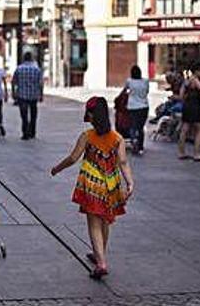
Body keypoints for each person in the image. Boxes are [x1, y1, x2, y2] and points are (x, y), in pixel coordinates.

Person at [50, 97, 134, 280]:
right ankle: (99, 253)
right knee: (104, 221)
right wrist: (130, 182)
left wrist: (57, 169)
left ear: (92, 116)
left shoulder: (87, 136)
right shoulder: (117, 138)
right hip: (111, 185)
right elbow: (123, 162)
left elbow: (73, 158)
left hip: (92, 185)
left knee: (94, 223)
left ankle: (101, 263)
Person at [179, 65, 200, 161]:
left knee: (184, 129)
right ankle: (197, 153)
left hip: (187, 105)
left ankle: (181, 152)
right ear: (196, 71)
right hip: (195, 105)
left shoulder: (186, 80)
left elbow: (181, 95)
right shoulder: (195, 80)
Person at [12, 52, 43, 140]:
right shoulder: (36, 69)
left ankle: (25, 133)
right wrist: (41, 95)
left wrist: (14, 93)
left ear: (23, 58)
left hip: (22, 96)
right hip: (33, 95)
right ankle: (32, 132)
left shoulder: (19, 68)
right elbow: (40, 83)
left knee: (24, 115)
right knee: (33, 115)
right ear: (32, 58)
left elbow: (14, 81)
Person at [121, 66, 150, 154]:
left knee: (133, 126)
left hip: (132, 107)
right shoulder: (145, 81)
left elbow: (124, 90)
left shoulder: (129, 81)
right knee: (140, 127)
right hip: (144, 106)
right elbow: (146, 92)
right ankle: (140, 146)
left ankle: (134, 143)